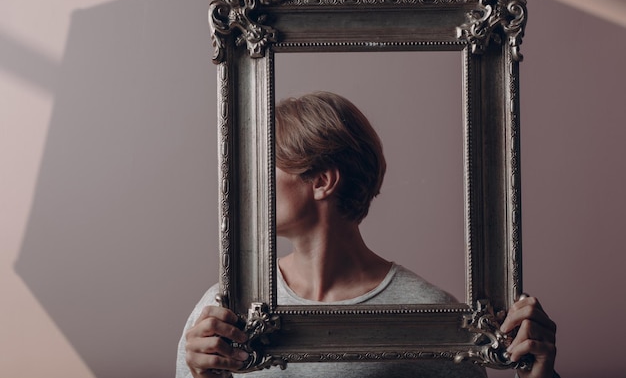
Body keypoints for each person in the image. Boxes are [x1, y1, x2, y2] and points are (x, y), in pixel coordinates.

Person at [176, 91, 557, 378]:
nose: (247, 188)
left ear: (322, 181)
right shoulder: (222, 311)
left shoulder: (431, 316)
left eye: (263, 169)